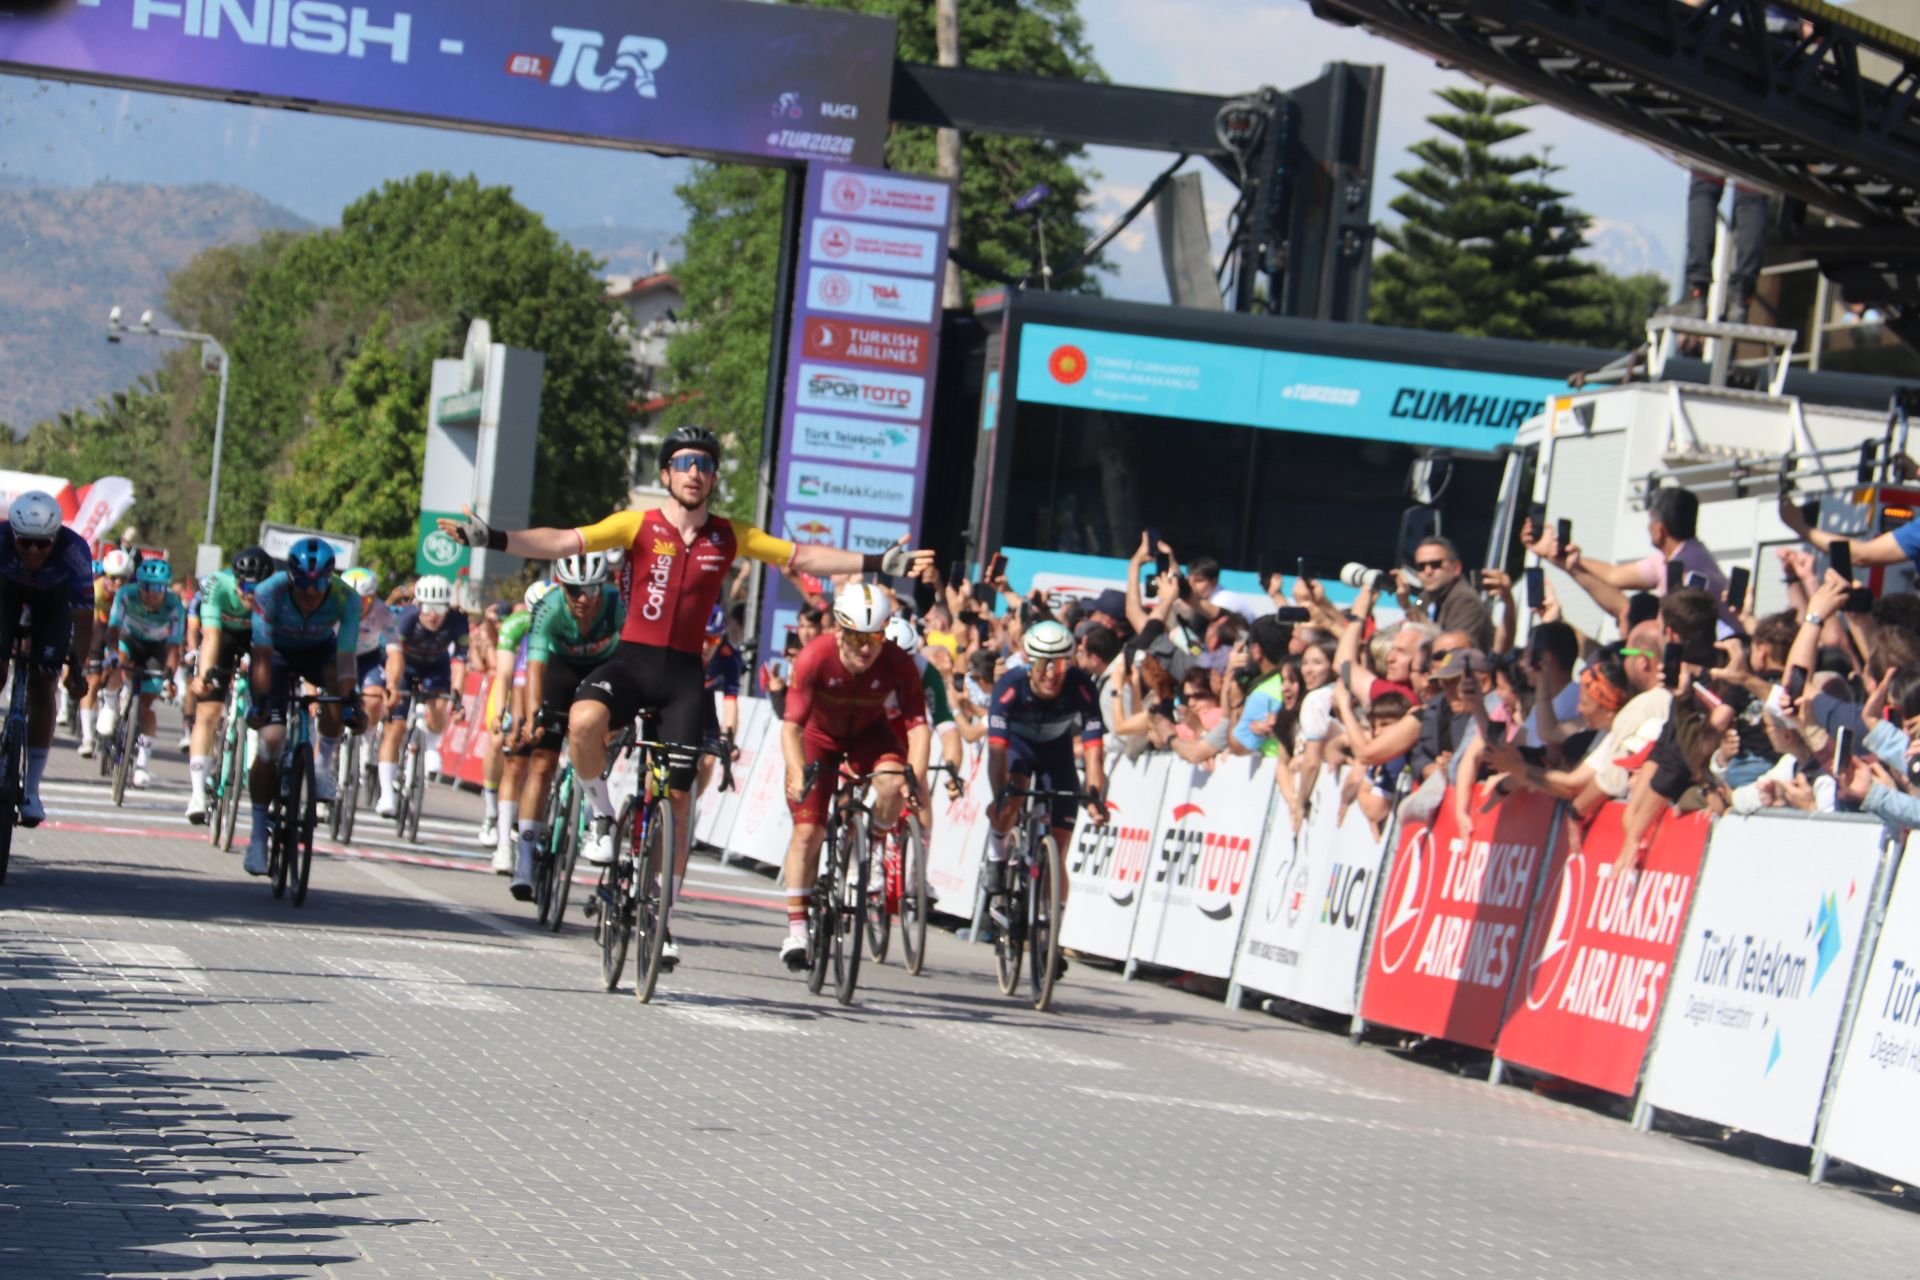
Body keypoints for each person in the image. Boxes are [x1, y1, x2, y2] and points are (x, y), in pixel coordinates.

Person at [436, 424, 933, 894]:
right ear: (666, 474)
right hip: (631, 663)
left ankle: (662, 908)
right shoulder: (636, 524)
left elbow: (800, 557)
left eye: (705, 465)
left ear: (714, 479)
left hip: (683, 677)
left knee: (678, 800)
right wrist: (493, 537)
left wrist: (876, 562)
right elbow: (564, 540)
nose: (695, 472)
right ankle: (601, 813)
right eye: (684, 463)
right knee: (582, 722)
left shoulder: (730, 534)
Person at [777, 583, 931, 970]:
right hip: (818, 737)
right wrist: (796, 771)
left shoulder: (897, 662)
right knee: (808, 833)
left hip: (868, 734)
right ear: (840, 631)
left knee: (894, 781)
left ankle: (874, 843)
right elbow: (791, 728)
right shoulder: (814, 657)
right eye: (858, 638)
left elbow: (917, 727)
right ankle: (797, 930)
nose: (867, 649)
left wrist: (916, 778)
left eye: (875, 637)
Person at [981, 618, 1108, 969]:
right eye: (1044, 664)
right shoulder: (1009, 686)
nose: (1052, 673)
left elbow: (1095, 750)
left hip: (1056, 751)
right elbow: (996, 753)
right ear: (1028, 662)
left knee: (1059, 846)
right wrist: (1000, 795)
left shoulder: (1081, 686)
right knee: (1011, 799)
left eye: (1061, 664)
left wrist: (1094, 793)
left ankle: (1050, 936)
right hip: (1017, 749)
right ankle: (997, 854)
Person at [511, 553, 625, 905]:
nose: (582, 598)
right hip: (559, 671)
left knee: (598, 739)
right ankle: (525, 857)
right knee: (542, 763)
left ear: (602, 587)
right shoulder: (548, 608)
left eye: (591, 590)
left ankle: (595, 819)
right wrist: (535, 716)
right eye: (574, 590)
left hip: (603, 671)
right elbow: (535, 667)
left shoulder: (617, 605)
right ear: (562, 587)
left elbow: (632, 659)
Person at [242, 537, 360, 876]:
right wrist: (261, 703)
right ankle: (257, 836)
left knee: (338, 692)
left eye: (318, 585)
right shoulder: (269, 592)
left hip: (319, 652)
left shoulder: (346, 597)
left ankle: (322, 765)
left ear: (329, 579)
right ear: (290, 578)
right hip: (275, 655)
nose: (310, 593)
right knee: (272, 739)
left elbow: (346, 657)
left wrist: (349, 703)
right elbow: (261, 656)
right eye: (303, 585)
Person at [0, 492, 95, 823]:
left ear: (56, 538)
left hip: (53, 605)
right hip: (4, 596)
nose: (33, 551)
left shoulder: (75, 551)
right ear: (13, 534)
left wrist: (77, 669)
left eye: (42, 544)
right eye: (24, 542)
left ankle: (32, 790)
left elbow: (83, 619)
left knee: (44, 685)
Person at [1529, 486, 1732, 628]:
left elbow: (1625, 610)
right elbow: (1614, 575)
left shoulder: (1683, 571)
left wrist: (1568, 565)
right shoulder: (1681, 556)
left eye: (1649, 521)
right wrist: (1566, 559)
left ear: (1659, 530)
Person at [185, 545, 275, 823]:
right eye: (245, 587)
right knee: (208, 712)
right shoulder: (217, 585)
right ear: (236, 580)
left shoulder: (276, 594)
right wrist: (204, 676)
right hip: (222, 636)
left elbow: (272, 644)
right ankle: (197, 794)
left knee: (266, 696)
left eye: (257, 589)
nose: (250, 594)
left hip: (256, 637)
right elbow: (210, 637)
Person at [375, 575, 467, 818]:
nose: (433, 615)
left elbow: (460, 661)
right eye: (427, 608)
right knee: (396, 728)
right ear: (418, 605)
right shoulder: (406, 618)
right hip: (404, 666)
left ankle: (431, 747)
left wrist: (457, 694)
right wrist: (392, 686)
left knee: (440, 704)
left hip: (436, 666)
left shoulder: (458, 621)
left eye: (439, 609)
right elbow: (394, 656)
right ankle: (386, 794)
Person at [484, 580, 553, 872]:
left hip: (553, 690)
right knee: (510, 758)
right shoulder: (517, 625)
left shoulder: (567, 624)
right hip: (519, 691)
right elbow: (507, 676)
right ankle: (501, 840)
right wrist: (503, 716)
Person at [104, 556, 185, 790]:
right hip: (129, 640)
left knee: (147, 705)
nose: (151, 593)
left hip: (156, 647)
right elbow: (113, 629)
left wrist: (170, 676)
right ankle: (110, 704)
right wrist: (111, 654)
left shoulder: (174, 605)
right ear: (138, 585)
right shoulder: (126, 594)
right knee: (117, 661)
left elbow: (174, 645)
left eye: (158, 587)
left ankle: (142, 764)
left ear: (166, 588)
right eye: (146, 586)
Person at [77, 547, 133, 759]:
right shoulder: (97, 589)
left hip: (122, 632)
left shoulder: (133, 593)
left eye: (123, 578)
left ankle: (114, 701)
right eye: (113, 577)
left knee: (122, 665)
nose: (118, 583)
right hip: (99, 629)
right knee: (91, 681)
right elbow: (89, 623)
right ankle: (88, 738)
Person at [1403, 536, 1494, 652]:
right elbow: (1418, 607)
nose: (1428, 571)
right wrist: (1406, 603)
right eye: (1421, 567)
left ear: (1456, 568)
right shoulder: (1424, 597)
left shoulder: (1465, 602)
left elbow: (1453, 649)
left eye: (1436, 564)